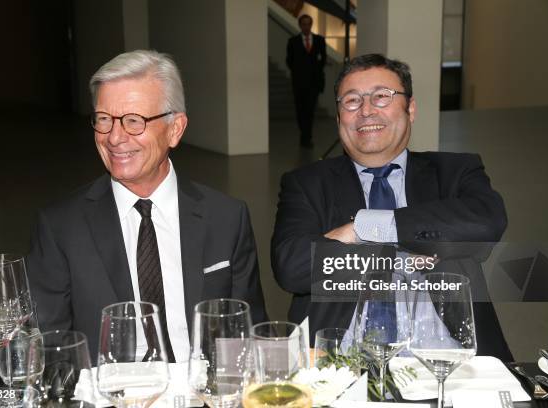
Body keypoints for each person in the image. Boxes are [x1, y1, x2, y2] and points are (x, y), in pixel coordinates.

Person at [27, 50, 267, 362]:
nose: (114, 137)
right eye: (104, 119)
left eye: (133, 121)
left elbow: (251, 334)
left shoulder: (226, 218)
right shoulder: (60, 227)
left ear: (175, 129)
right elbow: (51, 351)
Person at [271, 53, 513, 361]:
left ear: (410, 109)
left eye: (382, 97)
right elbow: (291, 268)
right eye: (352, 101)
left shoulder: (454, 171)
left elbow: (486, 223)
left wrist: (362, 229)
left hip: (449, 362)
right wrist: (400, 253)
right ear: (338, 117)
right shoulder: (306, 184)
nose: (367, 111)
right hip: (342, 364)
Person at [286, 14, 327, 148]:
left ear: (311, 25)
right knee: (300, 111)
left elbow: (323, 60)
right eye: (303, 24)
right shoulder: (293, 41)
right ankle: (304, 134)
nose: (306, 27)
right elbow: (289, 61)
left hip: (314, 84)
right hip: (299, 83)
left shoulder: (319, 40)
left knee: (310, 110)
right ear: (300, 25)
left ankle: (306, 138)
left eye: (308, 24)